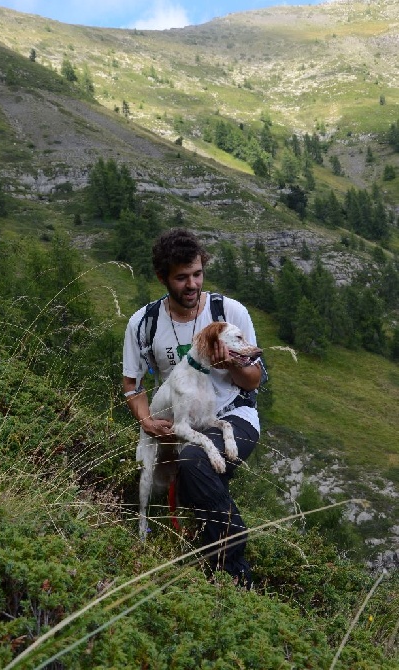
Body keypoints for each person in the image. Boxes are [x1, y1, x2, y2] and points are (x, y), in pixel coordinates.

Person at [122, 228, 264, 588]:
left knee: (193, 462)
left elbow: (254, 380)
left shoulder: (229, 312)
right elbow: (132, 386)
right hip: (179, 419)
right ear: (163, 278)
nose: (192, 284)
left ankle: (233, 569)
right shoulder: (144, 323)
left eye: (197, 274)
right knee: (182, 478)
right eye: (181, 277)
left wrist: (230, 364)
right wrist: (146, 420)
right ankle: (198, 555)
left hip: (233, 413)